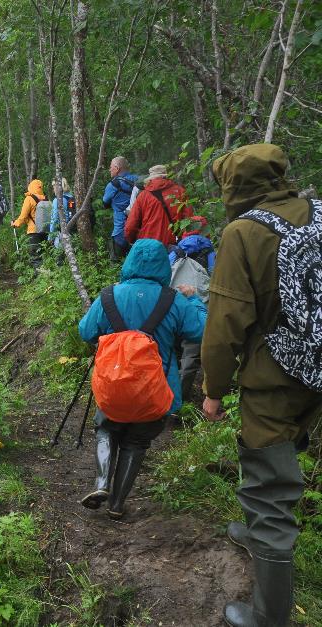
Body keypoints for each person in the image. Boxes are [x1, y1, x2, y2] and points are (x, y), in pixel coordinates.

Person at [201, 143, 322, 627]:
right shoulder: (317, 213)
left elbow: (224, 322)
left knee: (269, 485)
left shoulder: (243, 233)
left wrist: (213, 389)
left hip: (275, 376)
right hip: (319, 365)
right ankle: (257, 535)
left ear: (234, 186)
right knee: (289, 451)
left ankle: (270, 617)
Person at [78, 239, 207, 519]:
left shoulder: (109, 295)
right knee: (137, 442)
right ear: (163, 266)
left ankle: (101, 483)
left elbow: (86, 331)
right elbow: (201, 331)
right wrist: (193, 298)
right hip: (155, 388)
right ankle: (117, 504)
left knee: (106, 427)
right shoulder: (173, 299)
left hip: (114, 383)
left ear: (130, 262)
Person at [168, 215, 216, 403]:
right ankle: (179, 399)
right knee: (190, 355)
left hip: (173, 304)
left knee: (169, 351)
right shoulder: (210, 251)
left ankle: (162, 396)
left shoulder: (175, 251)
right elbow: (215, 277)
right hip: (198, 306)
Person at [124, 164, 193, 247]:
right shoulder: (180, 192)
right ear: (166, 176)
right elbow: (189, 220)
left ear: (150, 179)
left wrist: (133, 240)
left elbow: (131, 226)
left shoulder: (143, 196)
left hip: (150, 247)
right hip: (176, 246)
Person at [102, 156, 139, 260]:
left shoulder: (113, 184)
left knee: (118, 265)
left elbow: (105, 203)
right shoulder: (138, 180)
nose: (109, 170)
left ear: (117, 168)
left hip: (120, 232)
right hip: (139, 230)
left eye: (111, 167)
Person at [13, 179, 47, 265]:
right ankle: (47, 274)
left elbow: (23, 216)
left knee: (35, 256)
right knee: (45, 254)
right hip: (46, 230)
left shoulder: (29, 199)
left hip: (34, 231)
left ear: (30, 187)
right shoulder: (45, 198)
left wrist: (16, 223)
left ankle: (38, 276)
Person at [49, 177, 75, 248]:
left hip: (62, 232)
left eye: (54, 186)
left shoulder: (57, 200)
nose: (53, 189)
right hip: (73, 231)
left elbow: (54, 219)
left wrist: (50, 236)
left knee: (59, 256)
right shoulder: (71, 198)